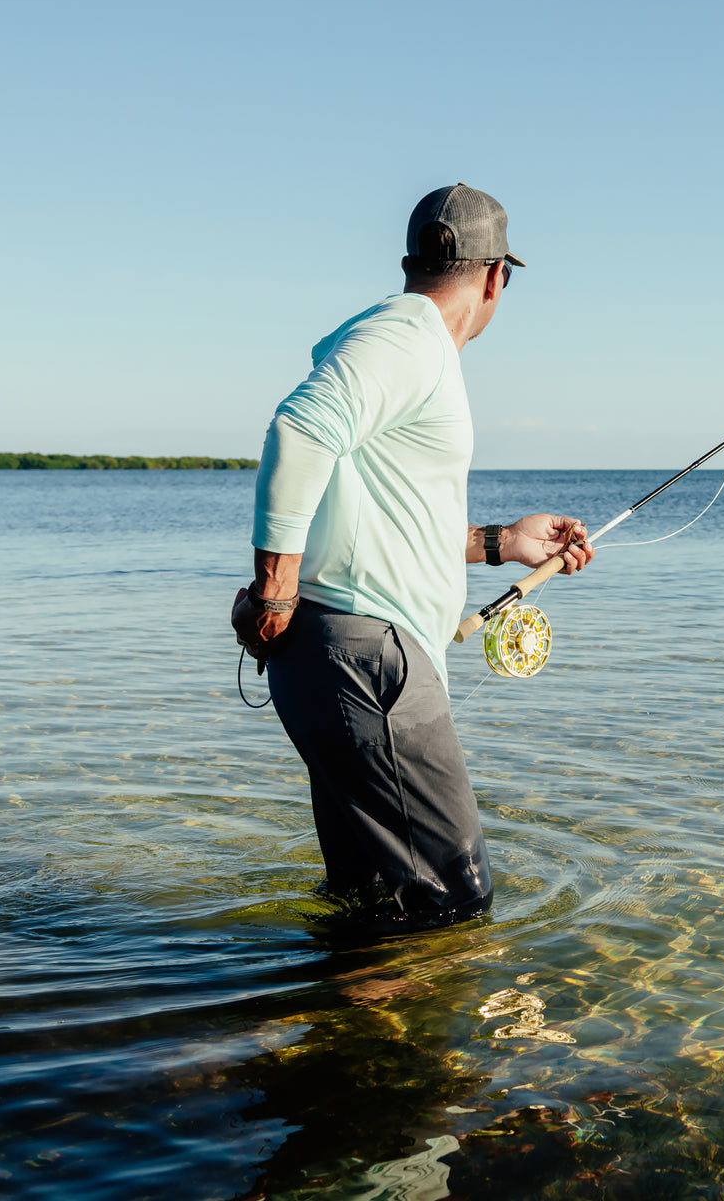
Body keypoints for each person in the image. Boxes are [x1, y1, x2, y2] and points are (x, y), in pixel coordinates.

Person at [231, 183, 593, 930]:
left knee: (377, 906)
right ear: (497, 277)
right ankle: (382, 1045)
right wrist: (273, 587)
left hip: (339, 657)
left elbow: (384, 523)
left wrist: (505, 544)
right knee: (453, 903)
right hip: (370, 662)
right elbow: (298, 430)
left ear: (410, 259)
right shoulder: (411, 339)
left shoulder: (391, 340)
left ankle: (333, 1043)